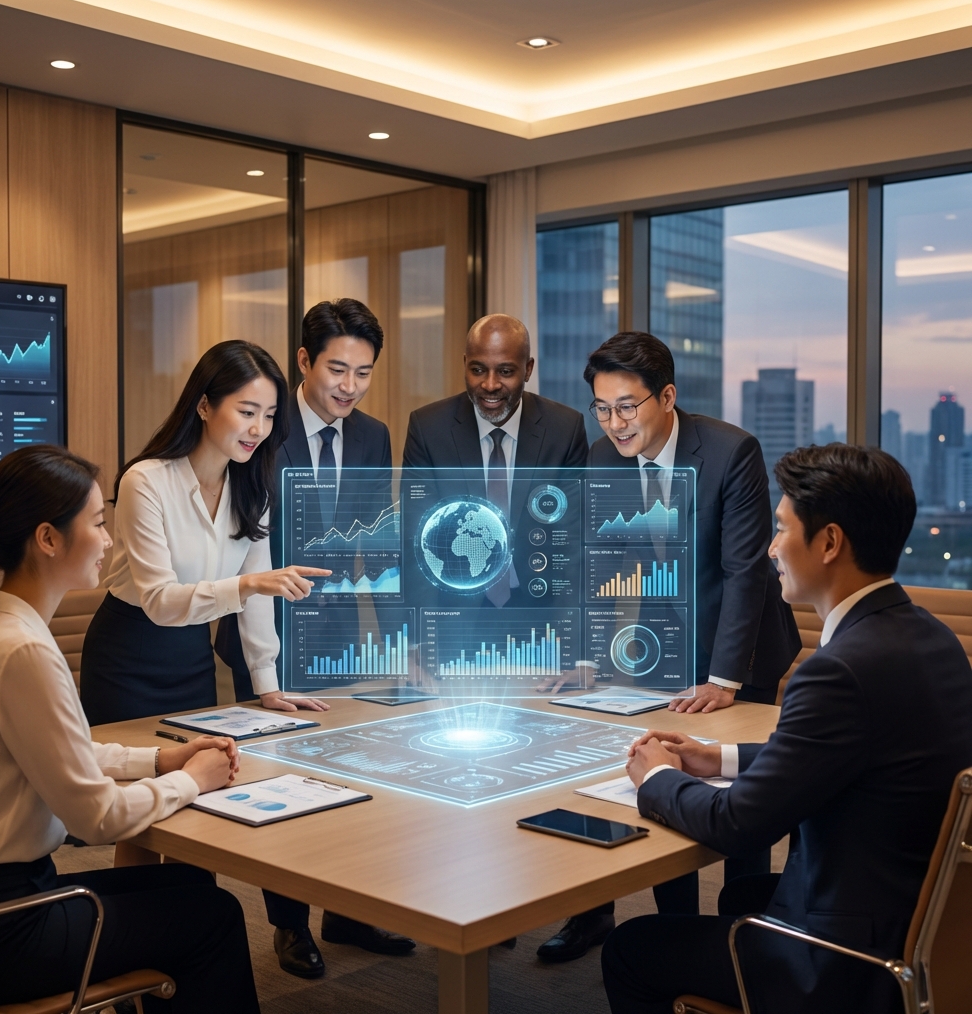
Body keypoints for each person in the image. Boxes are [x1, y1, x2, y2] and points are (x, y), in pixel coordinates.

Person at [604, 443, 972, 1014]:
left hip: (842, 961)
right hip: (912, 926)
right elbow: (839, 754)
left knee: (631, 948)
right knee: (740, 894)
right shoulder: (931, 637)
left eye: (781, 528)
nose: (771, 548)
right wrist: (715, 757)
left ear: (828, 543)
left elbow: (736, 825)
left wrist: (655, 778)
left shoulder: (838, 671)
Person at [0, 445, 259, 1012]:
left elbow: (63, 750)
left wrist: (161, 761)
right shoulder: (23, 650)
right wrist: (194, 782)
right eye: (96, 522)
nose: (110, 539)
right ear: (48, 538)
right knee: (212, 916)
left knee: (189, 890)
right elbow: (96, 819)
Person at [538, 332, 800, 962]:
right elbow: (591, 567)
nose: (615, 422)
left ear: (667, 397)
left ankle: (750, 940)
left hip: (744, 654)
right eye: (602, 408)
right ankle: (681, 936)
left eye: (627, 406)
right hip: (661, 650)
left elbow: (743, 572)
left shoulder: (731, 450)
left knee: (743, 804)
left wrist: (724, 679)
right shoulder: (602, 461)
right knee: (665, 778)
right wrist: (580, 656)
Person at [214, 300, 415, 978]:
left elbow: (374, 548)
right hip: (262, 628)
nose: (350, 386)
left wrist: (396, 643)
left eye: (363, 372)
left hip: (337, 635)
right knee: (283, 779)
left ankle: (350, 910)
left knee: (352, 771)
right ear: (303, 362)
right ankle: (290, 926)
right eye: (337, 369)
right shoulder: (264, 430)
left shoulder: (371, 436)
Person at [80, 338, 330, 724]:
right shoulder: (144, 482)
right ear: (203, 405)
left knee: (199, 774)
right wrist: (249, 585)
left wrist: (268, 684)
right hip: (128, 653)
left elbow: (259, 599)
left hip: (194, 652)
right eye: (247, 411)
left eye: (269, 415)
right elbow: (160, 601)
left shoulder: (253, 489)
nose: (258, 429)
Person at [402, 313, 589, 609]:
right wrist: (419, 639)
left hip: (540, 615)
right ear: (465, 364)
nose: (490, 385)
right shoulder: (428, 429)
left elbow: (575, 546)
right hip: (453, 616)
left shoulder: (564, 430)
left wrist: (573, 638)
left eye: (505, 371)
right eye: (478, 369)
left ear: (528, 370)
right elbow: (415, 542)